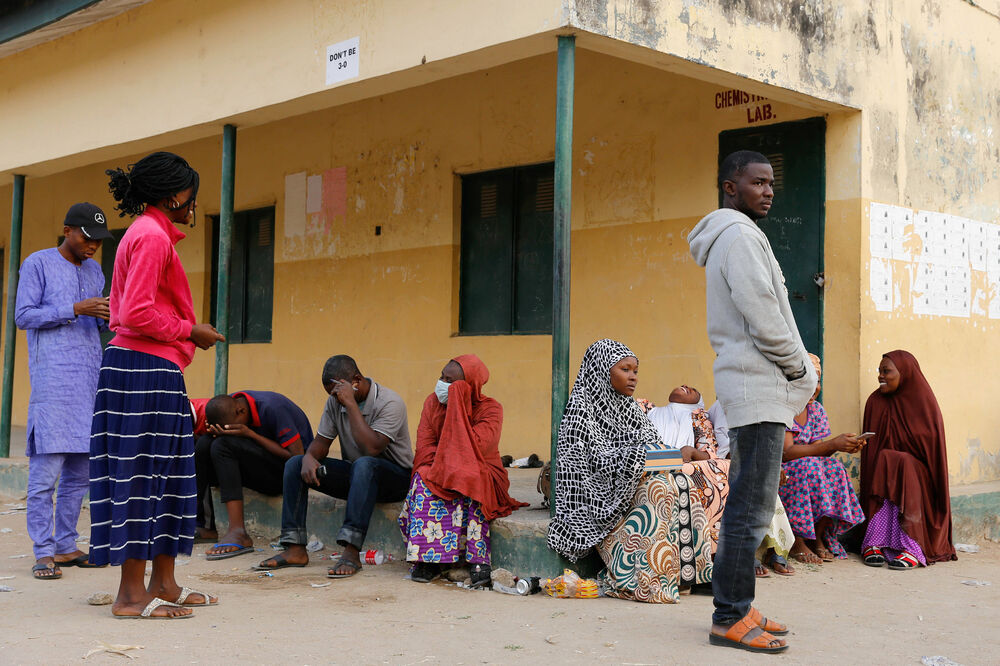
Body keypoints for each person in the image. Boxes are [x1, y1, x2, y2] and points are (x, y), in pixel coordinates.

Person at [688, 150, 817, 653]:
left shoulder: (736, 236)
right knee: (748, 509)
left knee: (752, 506)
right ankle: (729, 616)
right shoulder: (739, 237)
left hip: (755, 386)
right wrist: (800, 366)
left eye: (771, 184)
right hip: (757, 387)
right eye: (757, 182)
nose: (767, 191)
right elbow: (764, 314)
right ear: (729, 187)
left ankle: (739, 605)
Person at [90, 152, 225, 619]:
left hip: (152, 366)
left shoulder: (151, 235)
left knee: (170, 478)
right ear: (174, 195)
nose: (193, 203)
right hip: (141, 368)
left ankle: (163, 582)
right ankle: (130, 596)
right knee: (141, 477)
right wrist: (191, 330)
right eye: (190, 195)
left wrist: (185, 331)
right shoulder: (149, 238)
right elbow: (133, 314)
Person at [547, 339, 713, 604]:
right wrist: (635, 458)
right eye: (625, 369)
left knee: (682, 481)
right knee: (660, 489)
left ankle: (689, 575)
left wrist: (661, 455)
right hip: (601, 501)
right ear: (602, 370)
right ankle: (649, 582)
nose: (633, 377)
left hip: (633, 484)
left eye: (635, 370)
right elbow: (584, 468)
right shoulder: (579, 414)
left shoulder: (630, 410)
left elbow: (652, 444)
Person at [15, 202, 114, 580]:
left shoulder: (94, 271)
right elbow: (24, 316)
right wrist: (74, 307)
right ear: (68, 230)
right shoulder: (37, 263)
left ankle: (66, 545)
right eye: (87, 237)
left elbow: (96, 322)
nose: (92, 246)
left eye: (98, 241)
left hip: (89, 380)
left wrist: (107, 315)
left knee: (80, 475)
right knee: (45, 478)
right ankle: (43, 551)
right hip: (53, 385)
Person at [256, 355, 412, 578]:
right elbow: (321, 442)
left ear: (355, 380)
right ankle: (295, 548)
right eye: (332, 394)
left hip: (395, 479)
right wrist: (309, 456)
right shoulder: (334, 401)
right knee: (295, 464)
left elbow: (372, 448)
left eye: (337, 393)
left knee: (365, 464)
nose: (335, 398)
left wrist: (350, 404)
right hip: (358, 476)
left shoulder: (390, 402)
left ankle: (351, 551)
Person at [399, 355, 526, 585]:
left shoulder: (491, 409)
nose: (442, 384)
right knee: (421, 478)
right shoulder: (432, 403)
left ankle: (478, 559)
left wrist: (458, 407)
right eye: (441, 376)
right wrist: (444, 467)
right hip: (438, 467)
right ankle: (429, 561)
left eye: (450, 381)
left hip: (481, 470)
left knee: (472, 478)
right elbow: (425, 447)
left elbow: (475, 449)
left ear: (469, 387)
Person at [645, 387, 796, 577]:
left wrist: (691, 452)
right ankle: (731, 552)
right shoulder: (648, 410)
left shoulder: (699, 417)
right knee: (731, 471)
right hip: (653, 463)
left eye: (692, 389)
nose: (685, 385)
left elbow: (711, 453)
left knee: (731, 472)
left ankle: (757, 549)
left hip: (695, 466)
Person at [860, 350, 956, 569]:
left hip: (919, 480)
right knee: (887, 458)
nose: (880, 376)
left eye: (887, 371)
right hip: (885, 476)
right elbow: (873, 452)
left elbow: (932, 455)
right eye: (879, 371)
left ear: (904, 373)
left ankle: (911, 545)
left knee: (901, 462)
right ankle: (875, 541)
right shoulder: (875, 401)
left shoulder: (923, 402)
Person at [195, 391, 312, 560]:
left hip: (288, 475)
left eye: (233, 429)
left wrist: (250, 434)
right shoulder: (232, 405)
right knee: (205, 444)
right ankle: (205, 526)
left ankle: (238, 532)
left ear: (241, 412)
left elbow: (297, 458)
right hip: (259, 467)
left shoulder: (273, 408)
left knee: (223, 445)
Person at [779, 353, 866, 564]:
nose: (814, 387)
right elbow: (787, 452)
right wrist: (831, 445)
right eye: (808, 381)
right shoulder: (784, 409)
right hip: (783, 468)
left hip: (808, 465)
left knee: (834, 468)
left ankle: (817, 537)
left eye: (817, 382)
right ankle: (797, 540)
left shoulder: (816, 409)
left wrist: (844, 447)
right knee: (806, 467)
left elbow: (818, 449)